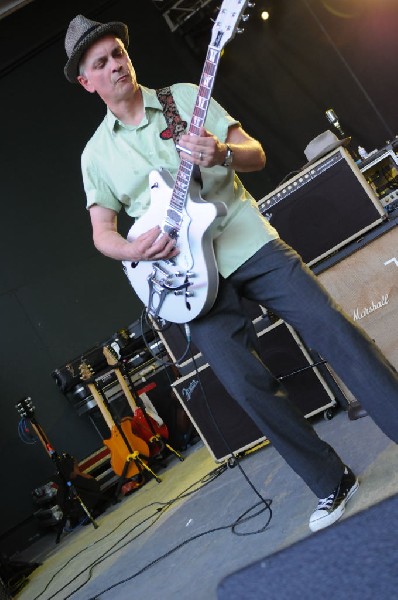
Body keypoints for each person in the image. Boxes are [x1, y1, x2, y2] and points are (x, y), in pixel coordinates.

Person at [64, 14, 398, 532]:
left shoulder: (182, 98)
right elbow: (101, 233)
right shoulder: (96, 156)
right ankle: (332, 483)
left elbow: (256, 154)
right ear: (87, 81)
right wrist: (134, 248)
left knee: (335, 331)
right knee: (247, 388)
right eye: (101, 63)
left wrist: (222, 152)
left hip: (247, 243)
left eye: (118, 54)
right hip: (190, 284)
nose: (115, 66)